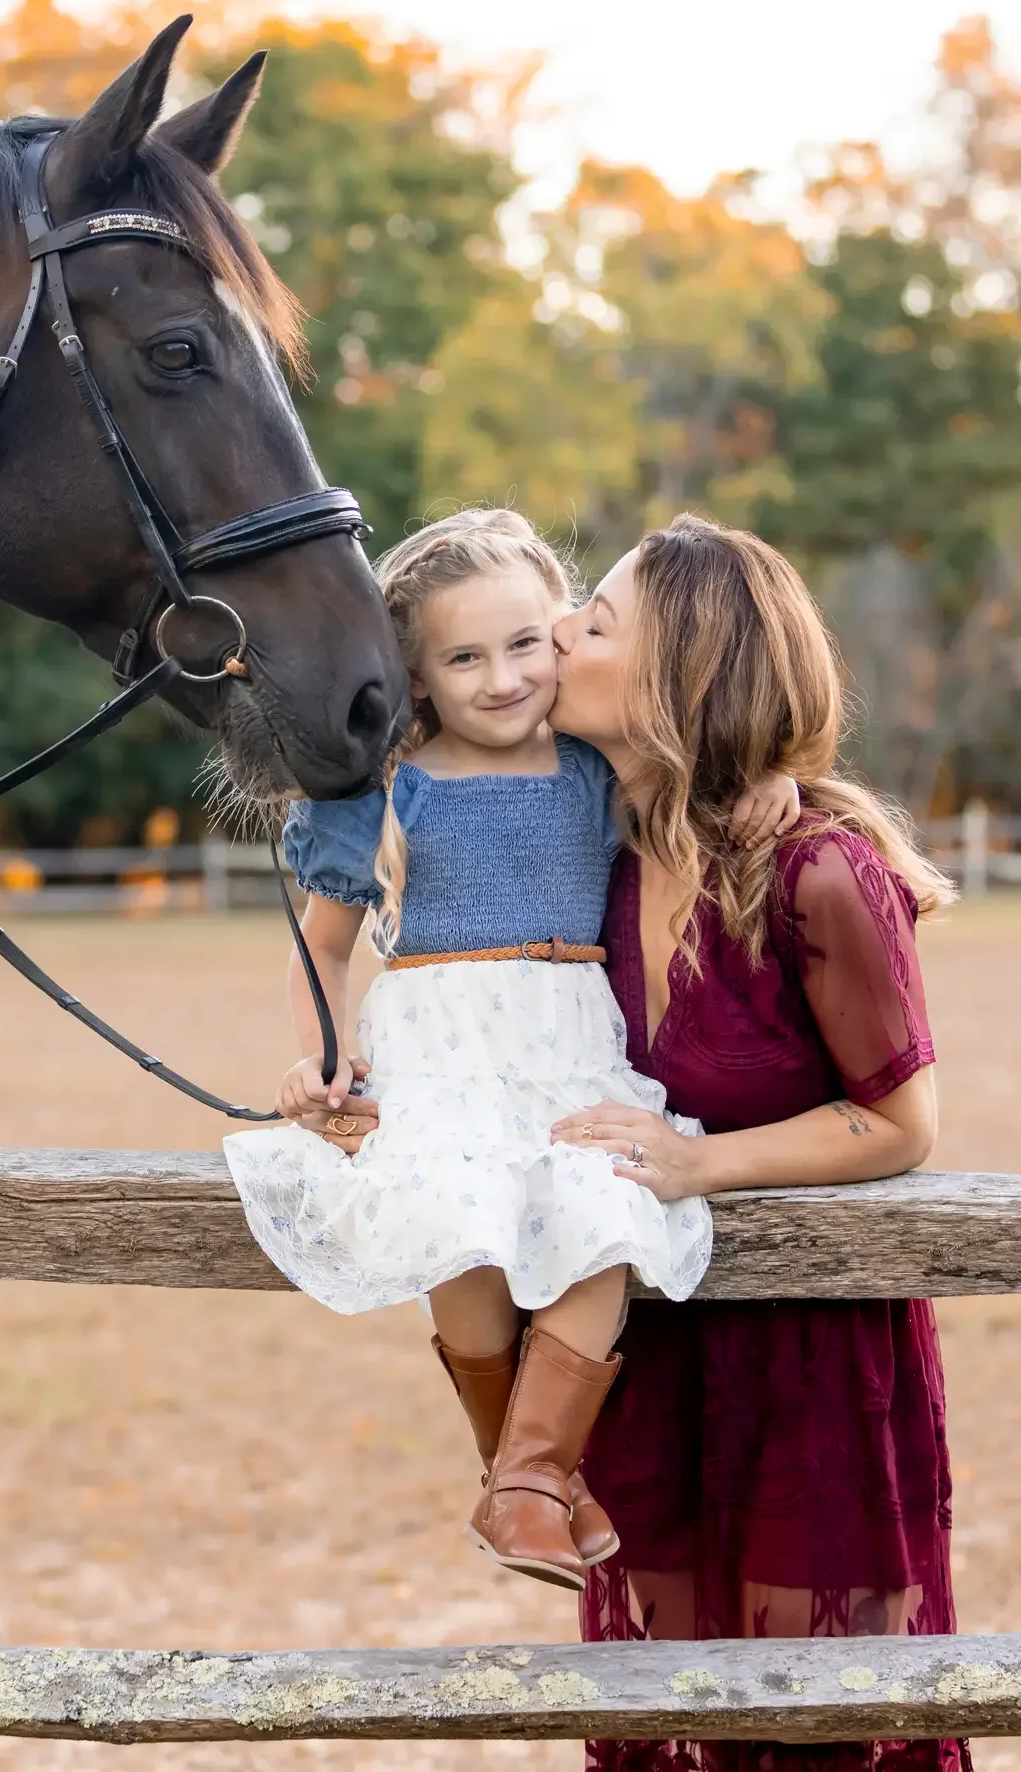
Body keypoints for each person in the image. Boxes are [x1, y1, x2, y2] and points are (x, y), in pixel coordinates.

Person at [223, 509, 799, 1591]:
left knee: (612, 1206)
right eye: (464, 656)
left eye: (526, 643)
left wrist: (763, 780)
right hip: (440, 1046)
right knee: (456, 1221)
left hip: (568, 1044)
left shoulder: (593, 765)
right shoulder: (387, 793)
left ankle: (528, 1478)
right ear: (418, 675)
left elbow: (698, 788)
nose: (502, 677)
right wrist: (324, 1063)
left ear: (560, 637)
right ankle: (524, 1476)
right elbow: (325, 943)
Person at [545, 513, 962, 1772]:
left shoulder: (818, 872)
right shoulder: (591, 852)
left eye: (595, 621)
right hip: (651, 1352)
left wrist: (696, 1161)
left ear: (680, 675)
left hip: (814, 1367)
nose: (559, 633)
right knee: (666, 1713)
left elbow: (900, 1120)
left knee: (817, 1714)